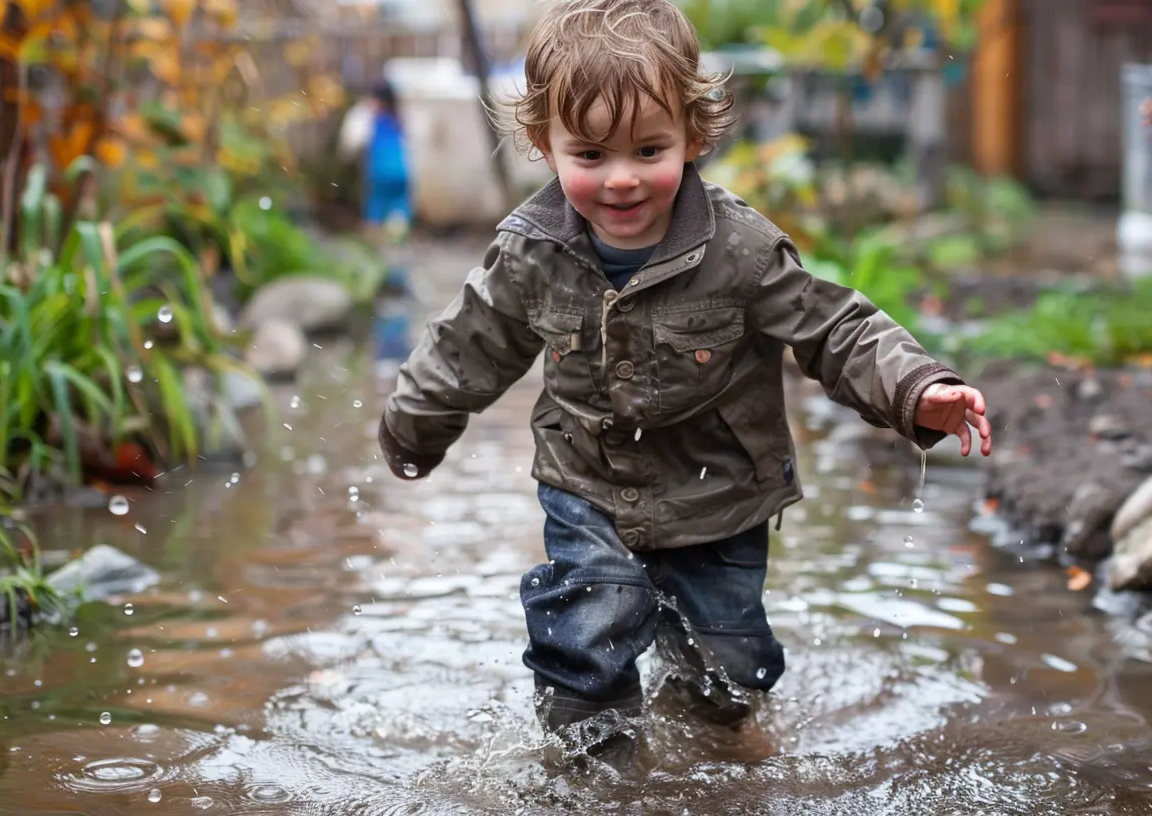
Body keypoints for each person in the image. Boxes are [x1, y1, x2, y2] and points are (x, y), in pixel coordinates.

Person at [378, 0, 992, 770]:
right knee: (585, 627)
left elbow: (835, 329)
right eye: (591, 155)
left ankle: (720, 755)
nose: (623, 179)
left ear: (694, 136)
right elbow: (469, 343)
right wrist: (414, 425)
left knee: (724, 669)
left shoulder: (739, 249)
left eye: (649, 149)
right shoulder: (532, 252)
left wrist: (916, 390)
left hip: (721, 492)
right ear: (545, 145)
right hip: (588, 480)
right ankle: (591, 767)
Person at [339, 79, 413, 237]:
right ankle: (397, 241)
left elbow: (352, 140)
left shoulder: (367, 116)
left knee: (376, 205)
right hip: (402, 170)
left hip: (380, 170)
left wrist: (346, 157)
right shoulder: (397, 118)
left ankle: (374, 242)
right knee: (399, 208)